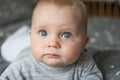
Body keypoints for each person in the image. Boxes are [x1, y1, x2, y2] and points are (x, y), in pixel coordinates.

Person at [0, 0, 103, 80]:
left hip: (37, 44)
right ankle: (22, 32)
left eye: (66, 35)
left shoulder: (84, 63)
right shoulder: (22, 66)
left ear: (84, 43)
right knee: (7, 49)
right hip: (20, 48)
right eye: (43, 32)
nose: (53, 43)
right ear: (31, 36)